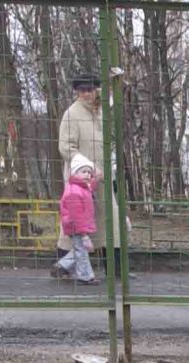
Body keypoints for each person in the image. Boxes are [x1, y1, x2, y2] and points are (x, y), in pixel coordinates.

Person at [57, 71, 104, 271]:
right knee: (76, 224)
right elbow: (66, 147)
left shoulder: (101, 112)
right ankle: (64, 265)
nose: (87, 94)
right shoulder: (72, 114)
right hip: (81, 180)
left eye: (90, 89)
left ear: (96, 90)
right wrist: (88, 168)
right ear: (77, 92)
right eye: (82, 90)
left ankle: (116, 268)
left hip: (102, 176)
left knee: (108, 220)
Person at [54, 154, 99, 284]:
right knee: (81, 250)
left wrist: (96, 174)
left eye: (89, 173)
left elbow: (92, 184)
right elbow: (76, 216)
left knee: (80, 249)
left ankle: (62, 265)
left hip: (79, 226)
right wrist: (84, 235)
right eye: (83, 172)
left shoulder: (83, 188)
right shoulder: (74, 191)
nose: (87, 175)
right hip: (76, 227)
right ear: (75, 173)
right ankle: (85, 277)